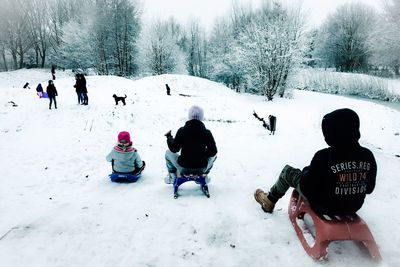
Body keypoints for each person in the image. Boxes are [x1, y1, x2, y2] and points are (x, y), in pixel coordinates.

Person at [254, 108, 377, 215]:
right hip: (353, 206)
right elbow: (369, 189)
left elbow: (307, 188)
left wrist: (306, 172)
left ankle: (269, 200)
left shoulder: (323, 156)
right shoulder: (368, 156)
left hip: (324, 206)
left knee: (288, 172)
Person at [164, 105, 217, 184]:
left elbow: (174, 149)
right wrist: (202, 152)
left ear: (189, 116)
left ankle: (172, 177)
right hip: (201, 168)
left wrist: (169, 138)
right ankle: (204, 176)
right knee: (214, 156)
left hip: (183, 167)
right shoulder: (206, 132)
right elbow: (213, 151)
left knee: (168, 153)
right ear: (201, 117)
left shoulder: (182, 130)